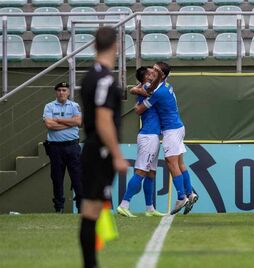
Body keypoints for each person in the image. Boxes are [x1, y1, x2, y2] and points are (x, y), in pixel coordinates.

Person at [79, 26, 129, 268]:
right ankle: (91, 264)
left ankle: (91, 263)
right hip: (100, 150)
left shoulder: (89, 76)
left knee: (93, 208)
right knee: (92, 208)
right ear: (116, 46)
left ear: (94, 45)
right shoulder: (105, 79)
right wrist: (117, 154)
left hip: (91, 147)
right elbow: (103, 119)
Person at [135, 62, 198, 215]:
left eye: (155, 70)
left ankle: (181, 196)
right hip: (177, 127)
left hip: (171, 130)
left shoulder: (158, 92)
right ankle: (190, 194)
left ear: (161, 75)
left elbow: (139, 109)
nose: (152, 71)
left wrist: (135, 91)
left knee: (171, 163)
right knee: (180, 163)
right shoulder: (164, 86)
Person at [116, 67, 165, 218]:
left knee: (151, 173)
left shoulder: (142, 87)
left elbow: (135, 90)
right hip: (148, 135)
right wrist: (136, 89)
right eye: (151, 72)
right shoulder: (146, 87)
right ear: (145, 76)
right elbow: (146, 91)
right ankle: (124, 204)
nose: (153, 74)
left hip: (153, 134)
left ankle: (150, 208)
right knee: (141, 171)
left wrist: (134, 89)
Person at [43, 82, 83, 213]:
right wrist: (69, 123)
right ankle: (59, 207)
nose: (61, 92)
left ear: (69, 92)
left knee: (77, 177)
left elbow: (78, 122)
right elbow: (49, 125)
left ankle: (81, 207)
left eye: (64, 90)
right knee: (57, 178)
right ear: (56, 92)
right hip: (55, 148)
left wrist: (58, 120)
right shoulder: (49, 106)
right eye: (59, 90)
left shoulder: (74, 106)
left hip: (72, 146)